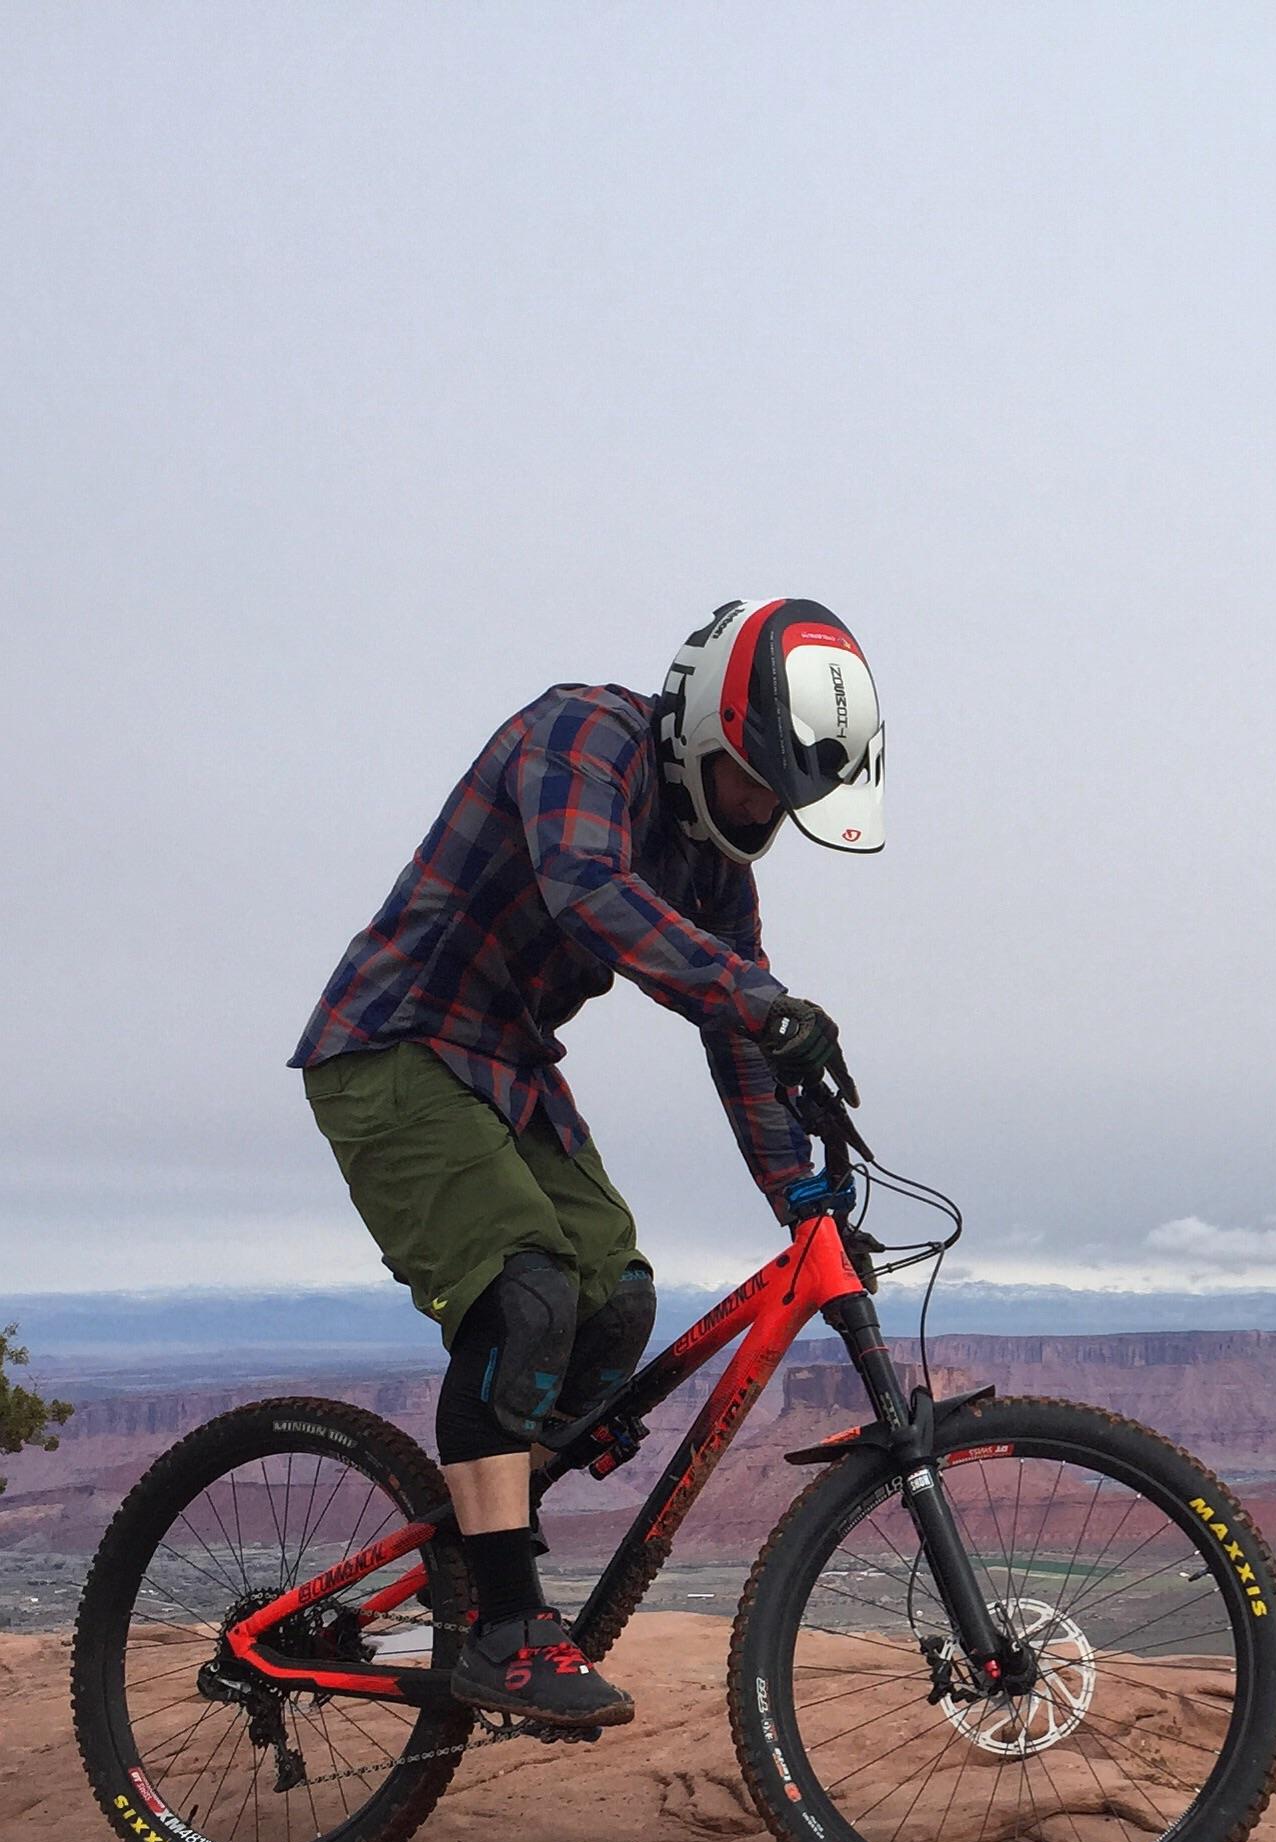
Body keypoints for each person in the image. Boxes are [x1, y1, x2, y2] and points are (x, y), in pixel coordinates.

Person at [291, 598, 882, 1729]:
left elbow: (735, 1029)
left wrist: (801, 1192)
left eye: (786, 795)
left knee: (613, 1304)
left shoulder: (715, 867)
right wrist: (760, 999)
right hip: (396, 1041)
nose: (766, 810)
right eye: (758, 779)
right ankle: (509, 1627)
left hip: (506, 1063)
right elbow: (589, 887)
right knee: (526, 1295)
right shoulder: (583, 735)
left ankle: (473, 1559)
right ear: (704, 729)